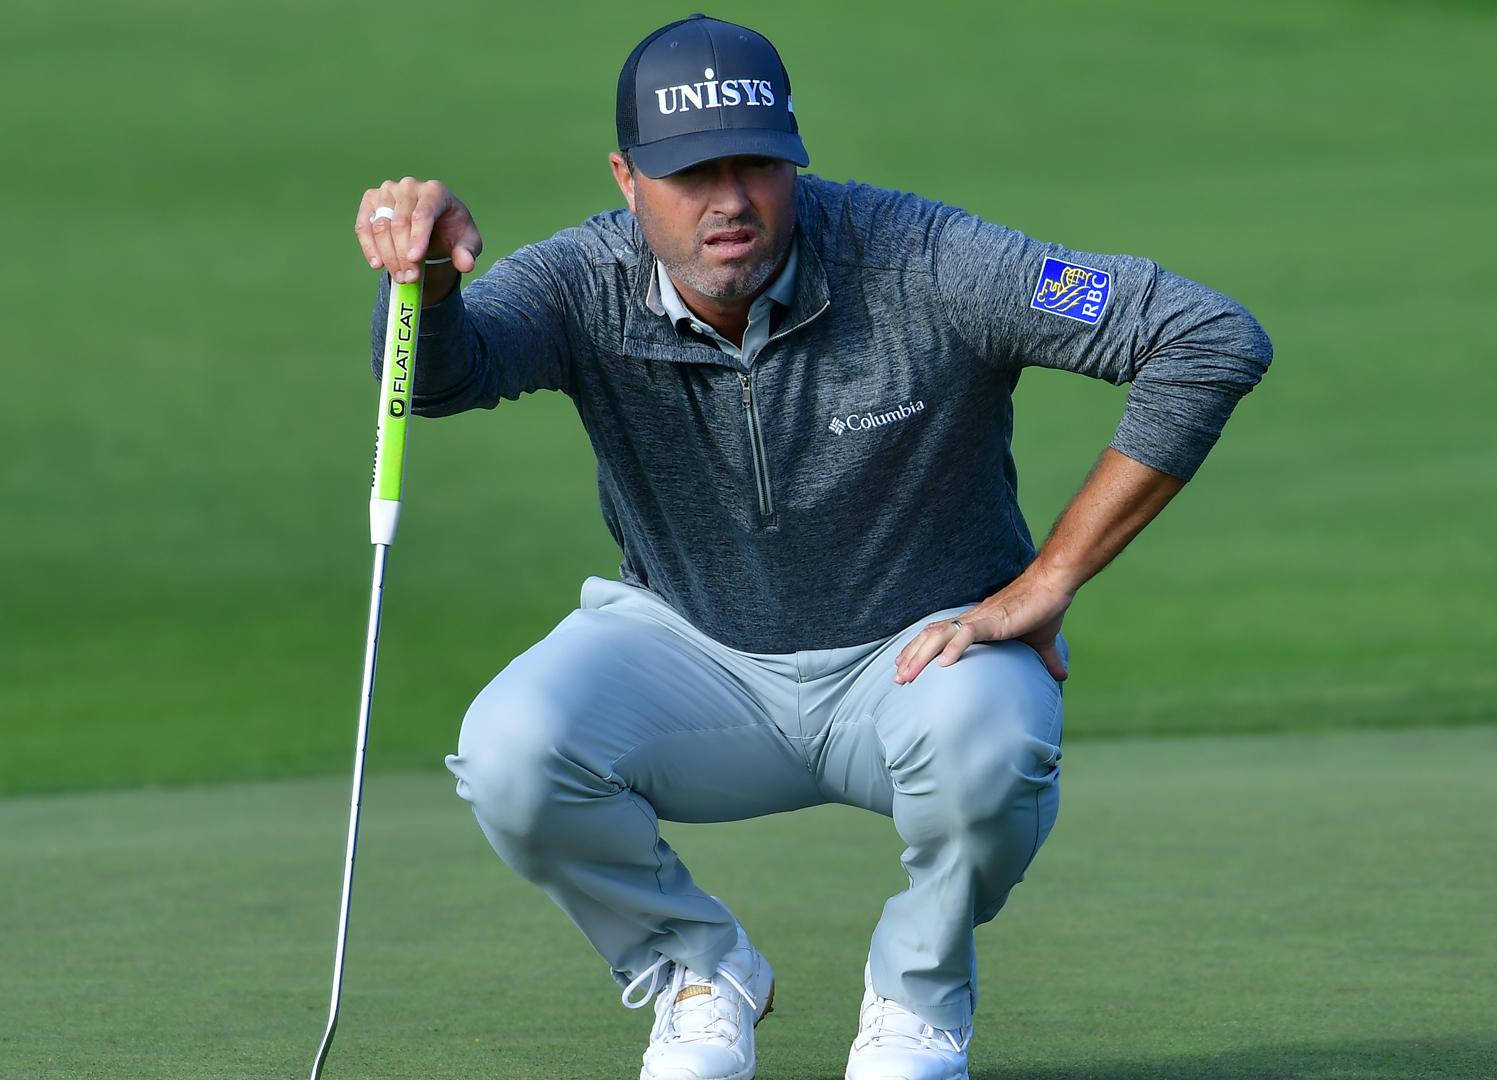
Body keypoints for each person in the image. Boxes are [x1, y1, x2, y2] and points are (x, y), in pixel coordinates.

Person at [356, 14, 1271, 1080]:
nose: (731, 200)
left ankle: (915, 1006)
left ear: (797, 157)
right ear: (626, 178)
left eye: (758, 164)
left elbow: (1206, 337)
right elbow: (435, 380)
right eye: (693, 172)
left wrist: (1051, 578)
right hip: (693, 655)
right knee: (512, 747)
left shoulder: (926, 259)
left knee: (994, 742)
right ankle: (699, 975)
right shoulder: (582, 282)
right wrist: (421, 287)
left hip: (920, 660)